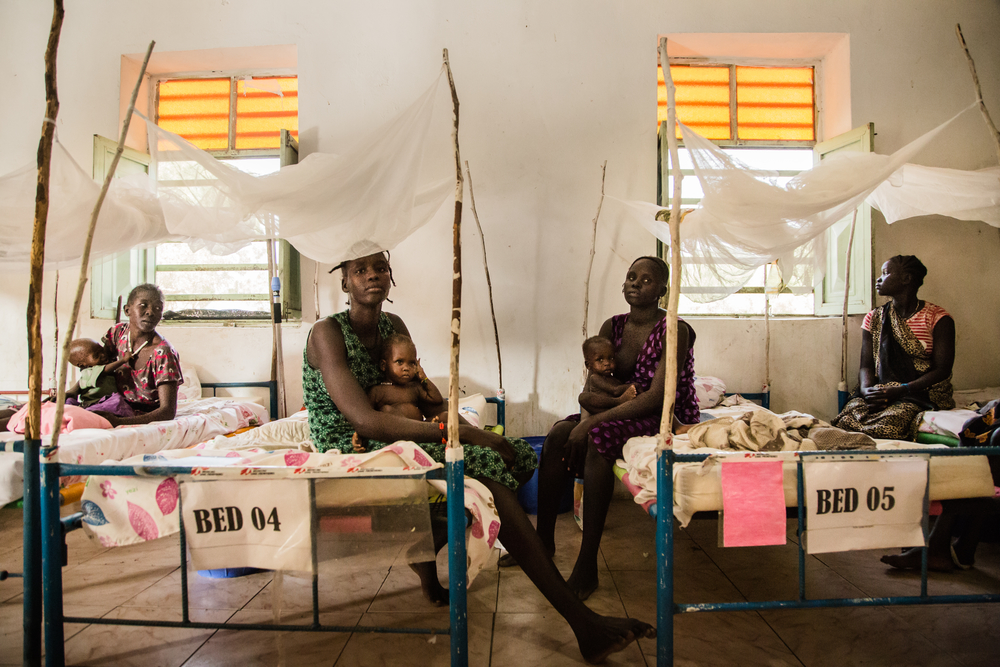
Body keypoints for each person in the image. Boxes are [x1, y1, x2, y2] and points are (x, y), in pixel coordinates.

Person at [303, 251, 654, 661]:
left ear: (391, 276)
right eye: (359, 270)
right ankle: (582, 622)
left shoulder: (392, 326)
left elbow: (417, 390)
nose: (372, 276)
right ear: (344, 282)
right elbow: (365, 420)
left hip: (397, 429)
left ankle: (432, 544)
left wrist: (457, 420)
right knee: (483, 468)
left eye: (380, 267)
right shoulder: (327, 333)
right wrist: (461, 433)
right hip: (353, 440)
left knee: (516, 454)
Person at [522, 256, 699, 602]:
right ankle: (542, 542)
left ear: (663, 290)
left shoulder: (675, 329)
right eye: (631, 277)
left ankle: (587, 564)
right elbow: (591, 390)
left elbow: (657, 398)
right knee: (559, 433)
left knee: (597, 440)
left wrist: (593, 424)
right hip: (616, 407)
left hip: (660, 413)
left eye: (646, 280)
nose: (635, 283)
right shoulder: (612, 327)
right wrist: (585, 419)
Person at [833, 255, 955, 440]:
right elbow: (866, 365)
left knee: (890, 423)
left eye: (885, 273)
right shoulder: (874, 318)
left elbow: (942, 370)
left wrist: (902, 389)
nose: (879, 279)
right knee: (848, 418)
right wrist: (867, 391)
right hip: (882, 390)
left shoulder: (938, 318)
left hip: (919, 393)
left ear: (906, 278)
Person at [352, 333, 463, 452]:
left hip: (422, 428)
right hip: (395, 434)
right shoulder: (378, 391)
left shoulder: (414, 387)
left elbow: (436, 399)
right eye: (400, 362)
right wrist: (359, 433)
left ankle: (467, 432)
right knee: (386, 411)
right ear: (384, 365)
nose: (406, 368)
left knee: (446, 415)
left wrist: (423, 378)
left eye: (412, 363)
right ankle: (431, 433)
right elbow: (366, 417)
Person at [95, 284, 184, 426]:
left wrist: (119, 422)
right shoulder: (117, 333)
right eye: (143, 305)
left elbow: (167, 411)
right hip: (114, 405)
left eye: (157, 308)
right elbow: (95, 370)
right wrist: (71, 392)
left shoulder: (163, 353)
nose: (150, 312)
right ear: (127, 310)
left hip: (147, 418)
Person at [579, 335, 637, 419]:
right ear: (588, 365)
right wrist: (633, 386)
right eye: (600, 360)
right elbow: (616, 391)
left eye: (611, 358)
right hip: (598, 413)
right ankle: (618, 402)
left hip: (612, 413)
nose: (607, 363)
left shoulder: (614, 379)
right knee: (583, 397)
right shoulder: (594, 378)